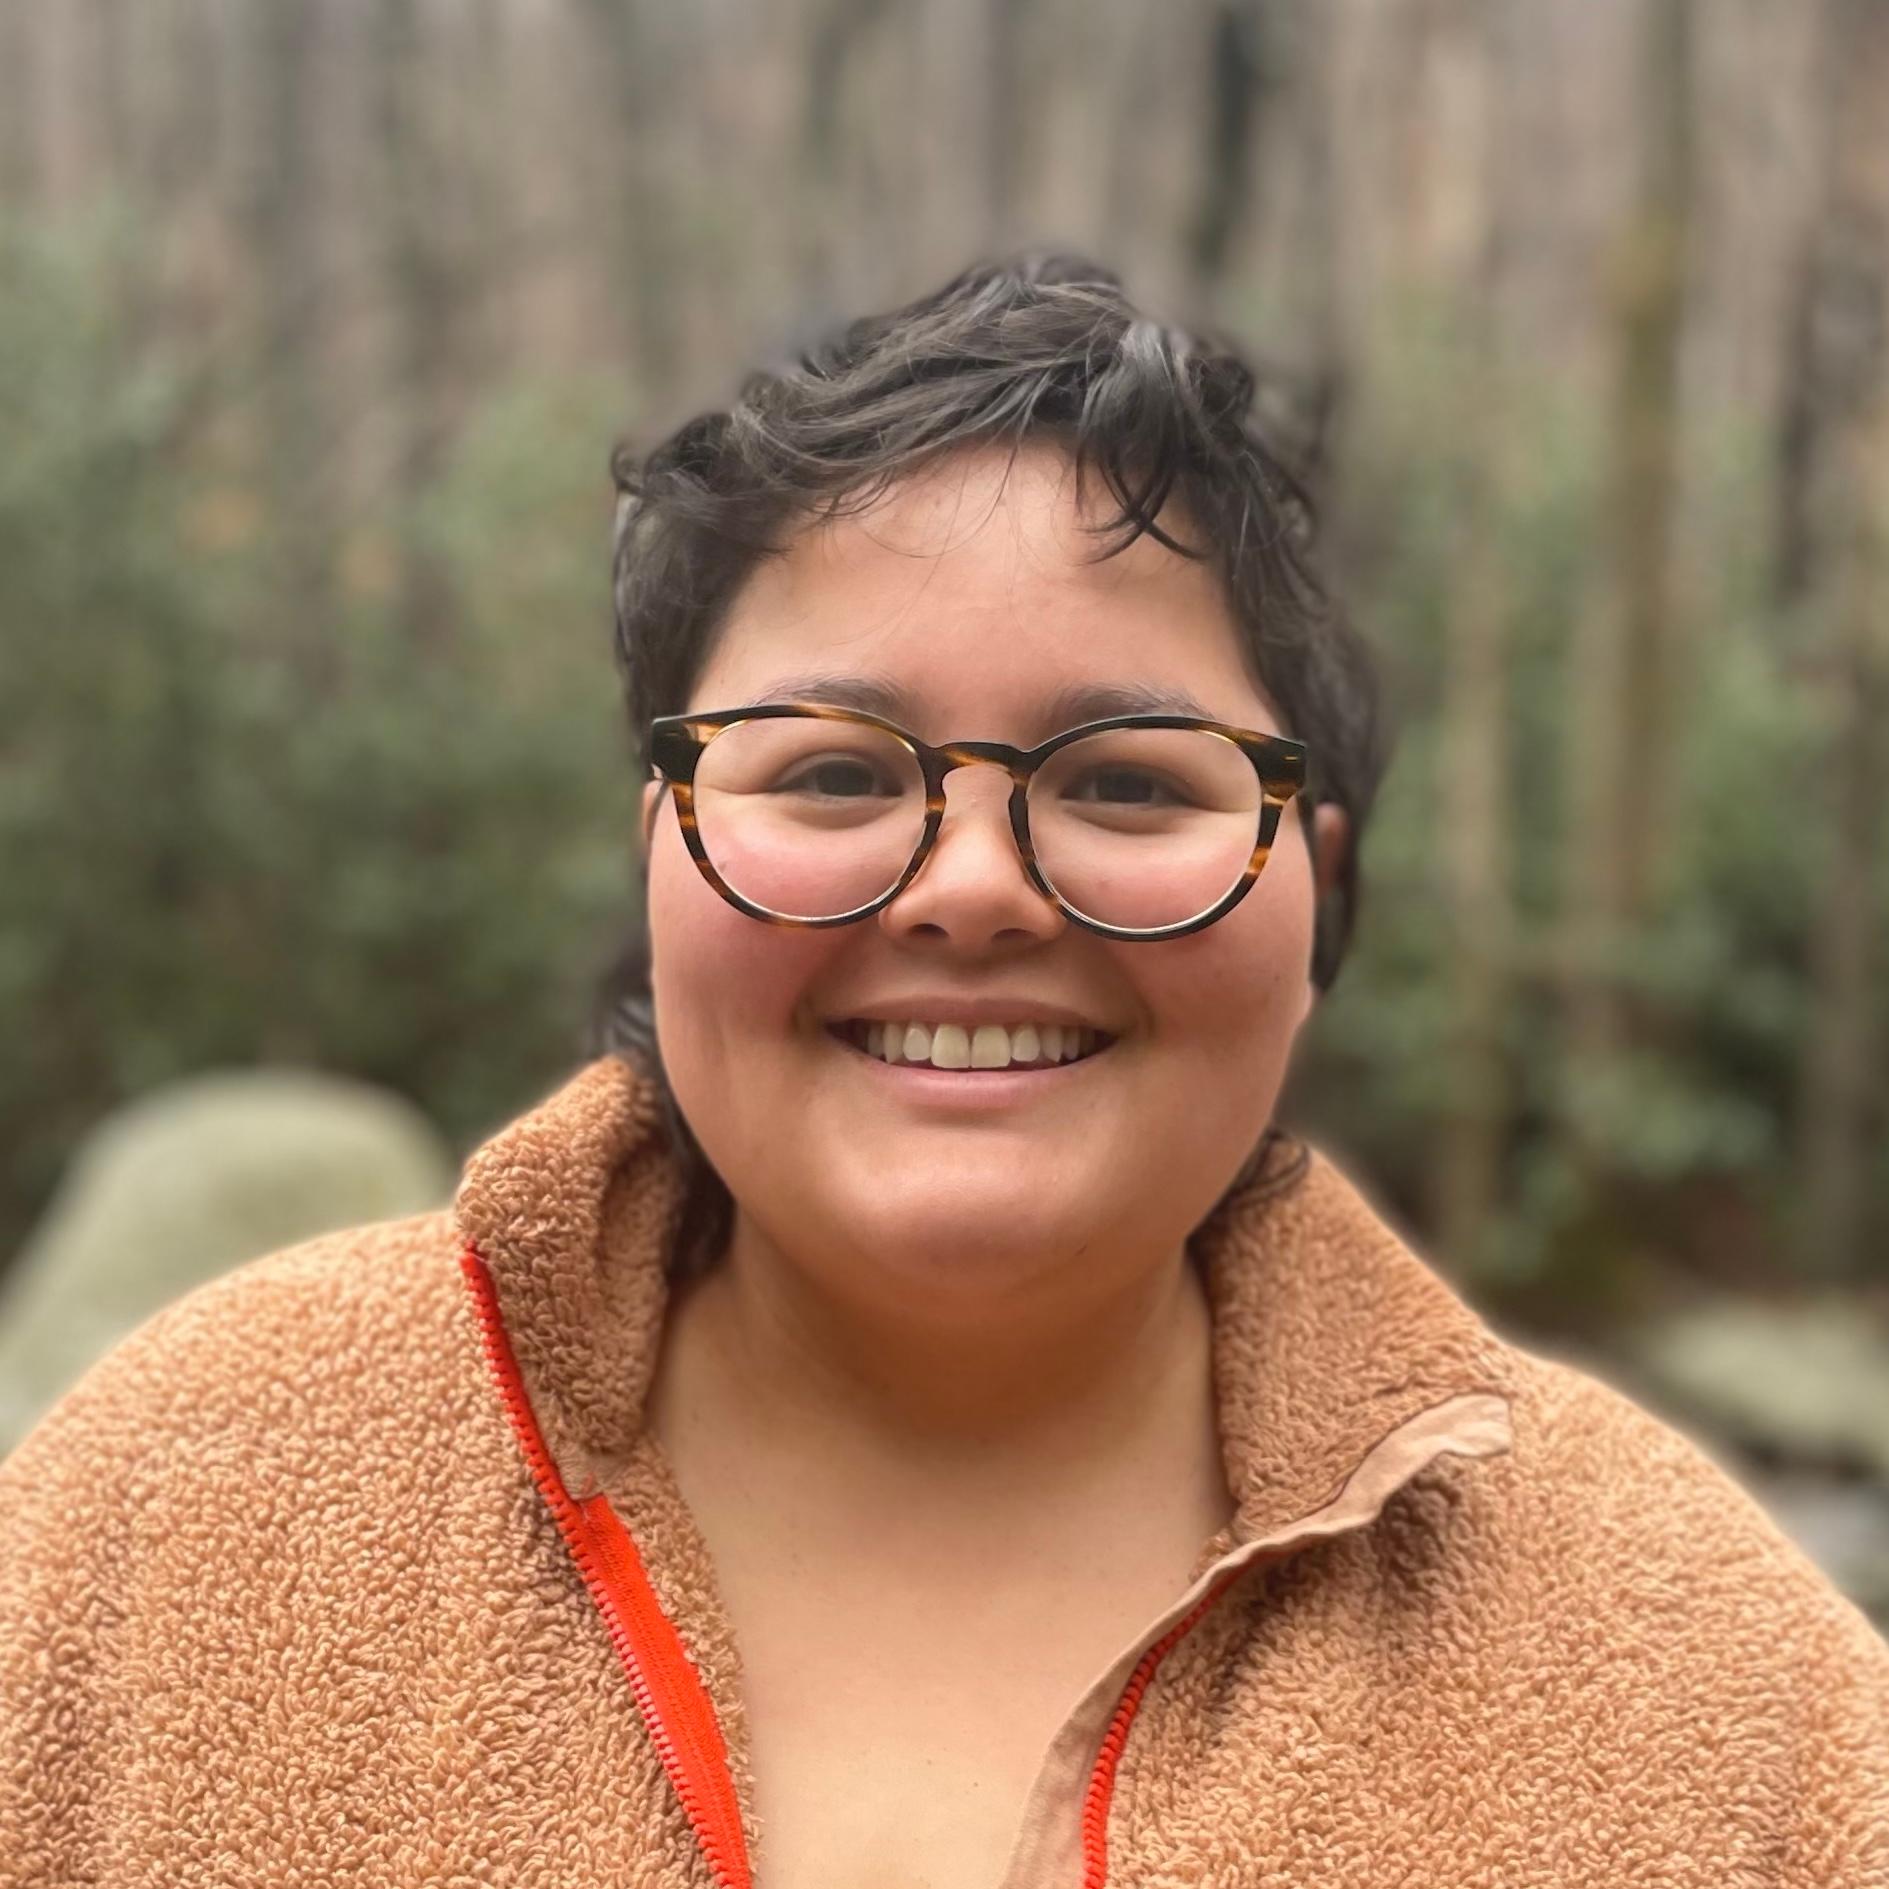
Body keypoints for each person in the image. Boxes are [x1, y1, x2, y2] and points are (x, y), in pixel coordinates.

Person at [3, 252, 1885, 1889]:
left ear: (1307, 900)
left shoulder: (1713, 1684)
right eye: (829, 769)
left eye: (1130, 779)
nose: (972, 887)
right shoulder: (174, 1512)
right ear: (660, 851)